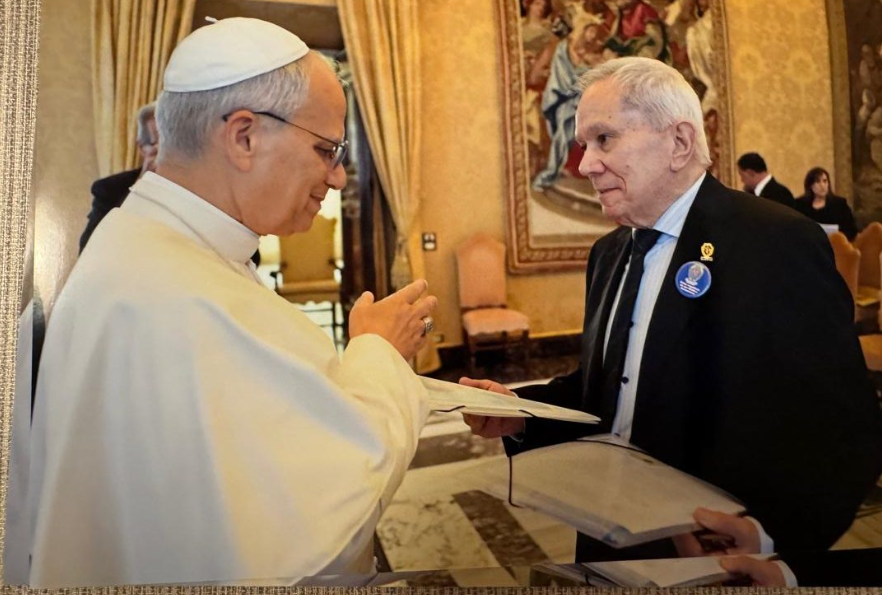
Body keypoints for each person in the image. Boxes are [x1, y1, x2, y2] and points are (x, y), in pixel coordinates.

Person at [26, 18, 437, 587]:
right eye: (327, 150)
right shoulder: (167, 291)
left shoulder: (152, 248)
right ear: (244, 137)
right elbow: (319, 514)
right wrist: (378, 349)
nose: (339, 178)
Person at [462, 57, 882, 563]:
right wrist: (521, 413)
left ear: (679, 142)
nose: (586, 164)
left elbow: (845, 427)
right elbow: (611, 392)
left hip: (716, 556)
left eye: (604, 139)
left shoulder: (777, 242)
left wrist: (773, 539)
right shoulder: (608, 253)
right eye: (583, 145)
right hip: (607, 542)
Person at [79, 103, 158, 252]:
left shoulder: (196, 186)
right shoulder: (110, 189)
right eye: (158, 142)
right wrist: (141, 185)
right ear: (142, 148)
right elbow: (88, 250)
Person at [794, 166, 858, 240]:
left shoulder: (839, 204)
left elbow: (851, 230)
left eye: (825, 181)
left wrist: (837, 236)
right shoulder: (800, 205)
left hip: (834, 244)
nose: (822, 186)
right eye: (818, 182)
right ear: (810, 186)